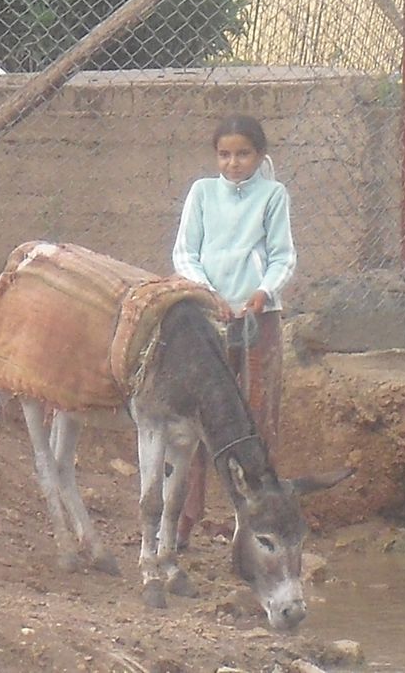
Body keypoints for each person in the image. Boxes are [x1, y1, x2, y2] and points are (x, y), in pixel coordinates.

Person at [171, 113, 297, 550]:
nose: (233, 163)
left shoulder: (273, 195)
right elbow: (186, 253)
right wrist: (208, 295)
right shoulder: (202, 194)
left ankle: (255, 525)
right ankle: (186, 519)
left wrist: (263, 292)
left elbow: (283, 256)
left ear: (260, 155)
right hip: (210, 319)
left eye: (243, 154)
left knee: (257, 421)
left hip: (258, 319)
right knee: (204, 420)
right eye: (224, 154)